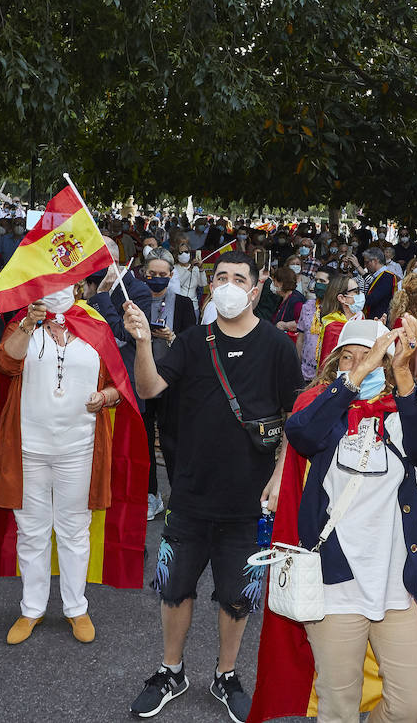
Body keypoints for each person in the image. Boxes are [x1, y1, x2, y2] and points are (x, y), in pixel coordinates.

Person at [122, 251, 301, 722]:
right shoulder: (191, 341)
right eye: (220, 276)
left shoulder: (278, 348)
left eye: (238, 278)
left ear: (256, 289)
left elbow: (293, 420)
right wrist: (143, 343)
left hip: (249, 501)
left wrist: (281, 476)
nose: (228, 284)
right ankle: (171, 669)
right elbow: (148, 389)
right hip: (190, 494)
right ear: (210, 285)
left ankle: (226, 675)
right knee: (174, 588)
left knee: (237, 595)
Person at [249, 317, 417, 723]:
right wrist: (357, 375)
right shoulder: (321, 408)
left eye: (371, 356)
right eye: (349, 357)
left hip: (399, 584)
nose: (361, 363)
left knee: (408, 707)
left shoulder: (409, 407)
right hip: (334, 587)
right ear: (334, 365)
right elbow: (302, 433)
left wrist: (400, 372)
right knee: (338, 708)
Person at [0, 288, 147, 646]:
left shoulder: (95, 325)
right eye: (47, 283)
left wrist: (105, 397)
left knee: (74, 531)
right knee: (31, 532)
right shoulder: (21, 324)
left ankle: (76, 607)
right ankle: (32, 608)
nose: (56, 290)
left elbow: (118, 385)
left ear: (77, 287)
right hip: (27, 449)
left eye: (64, 283)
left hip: (80, 448)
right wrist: (29, 323)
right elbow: (5, 364)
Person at [141, 250, 196, 517]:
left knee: (173, 443)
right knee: (143, 442)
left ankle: (180, 498)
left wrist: (172, 336)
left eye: (163, 275)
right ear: (144, 274)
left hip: (172, 384)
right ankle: (151, 495)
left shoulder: (184, 304)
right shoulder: (134, 301)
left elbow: (191, 346)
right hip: (141, 381)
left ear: (171, 275)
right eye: (153, 275)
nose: (158, 279)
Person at [315, 274, 361, 367]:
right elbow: (327, 366)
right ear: (342, 298)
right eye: (356, 291)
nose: (360, 295)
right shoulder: (333, 326)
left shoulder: (359, 318)